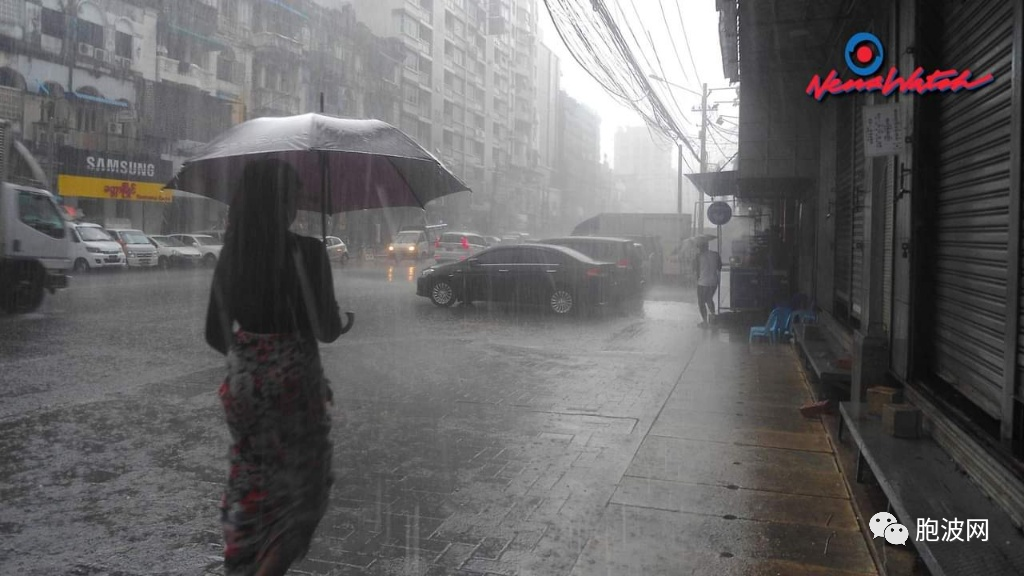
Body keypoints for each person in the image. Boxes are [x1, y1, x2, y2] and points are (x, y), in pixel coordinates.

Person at [205, 158, 344, 576]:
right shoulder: (310, 251)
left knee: (251, 475)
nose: (299, 205)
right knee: (303, 491)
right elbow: (327, 330)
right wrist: (338, 317)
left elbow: (215, 332)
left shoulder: (234, 253)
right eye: (295, 195)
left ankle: (245, 556)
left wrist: (253, 358)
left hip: (246, 384)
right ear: (284, 202)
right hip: (295, 384)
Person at [694, 238, 722, 327]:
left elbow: (696, 271)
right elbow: (719, 267)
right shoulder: (716, 254)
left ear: (700, 247)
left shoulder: (698, 256)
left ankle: (705, 322)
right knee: (709, 299)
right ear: (707, 245)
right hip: (714, 282)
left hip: (702, 283)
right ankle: (713, 317)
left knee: (701, 302)